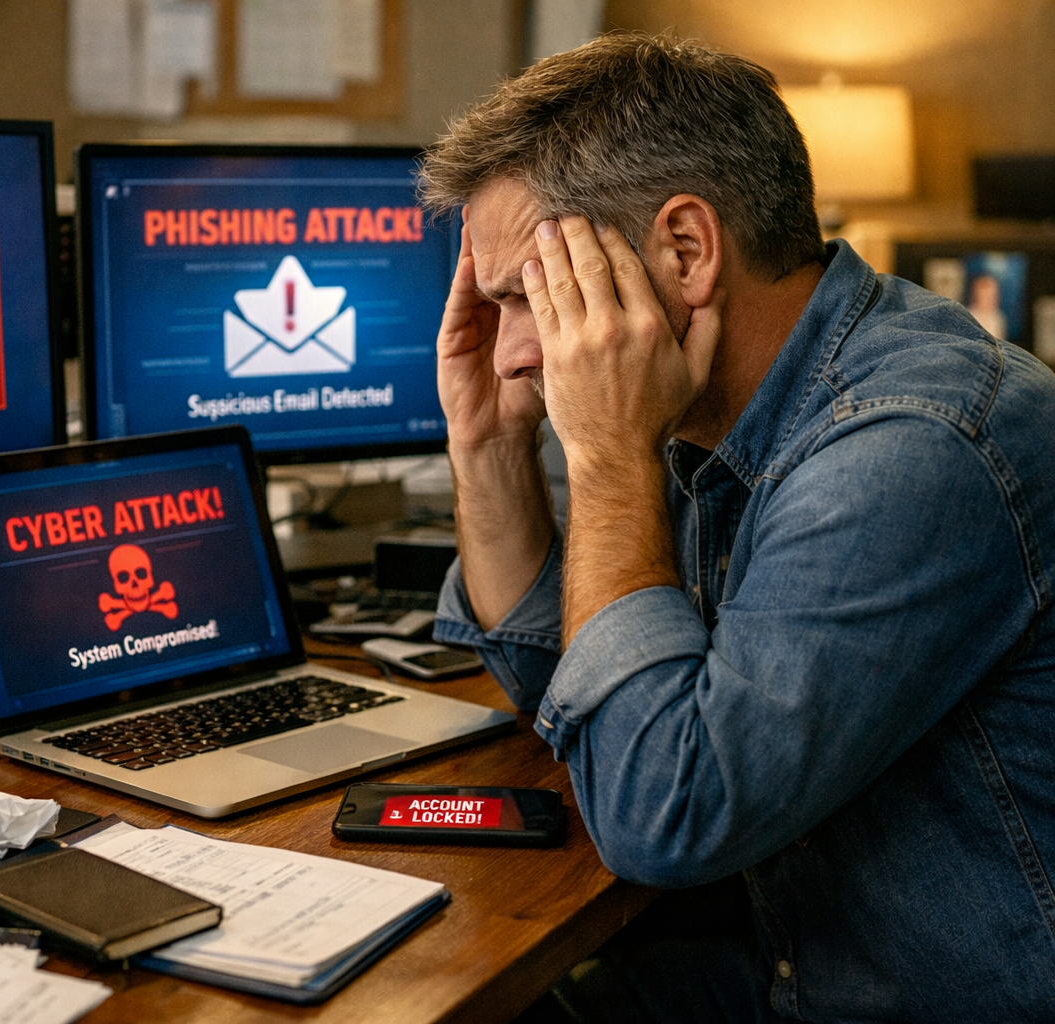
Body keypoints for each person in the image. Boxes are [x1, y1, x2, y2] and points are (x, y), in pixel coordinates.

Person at [419, 33, 1055, 1023]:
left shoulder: (909, 448)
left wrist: (605, 459)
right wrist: (488, 450)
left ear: (685, 251)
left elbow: (660, 810)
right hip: (787, 959)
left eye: (528, 296)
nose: (507, 354)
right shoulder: (732, 404)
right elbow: (578, 696)